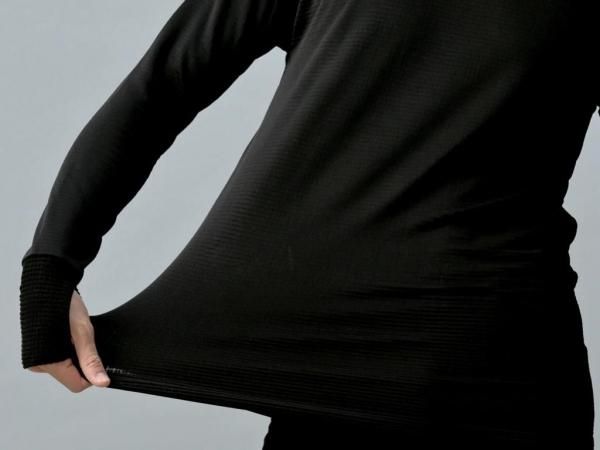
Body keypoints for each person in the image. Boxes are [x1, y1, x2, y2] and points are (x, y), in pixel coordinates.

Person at [19, 0, 598, 448]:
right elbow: (164, 87)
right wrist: (49, 272)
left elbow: (161, 86)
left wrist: (51, 268)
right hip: (461, 374)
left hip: (499, 376)